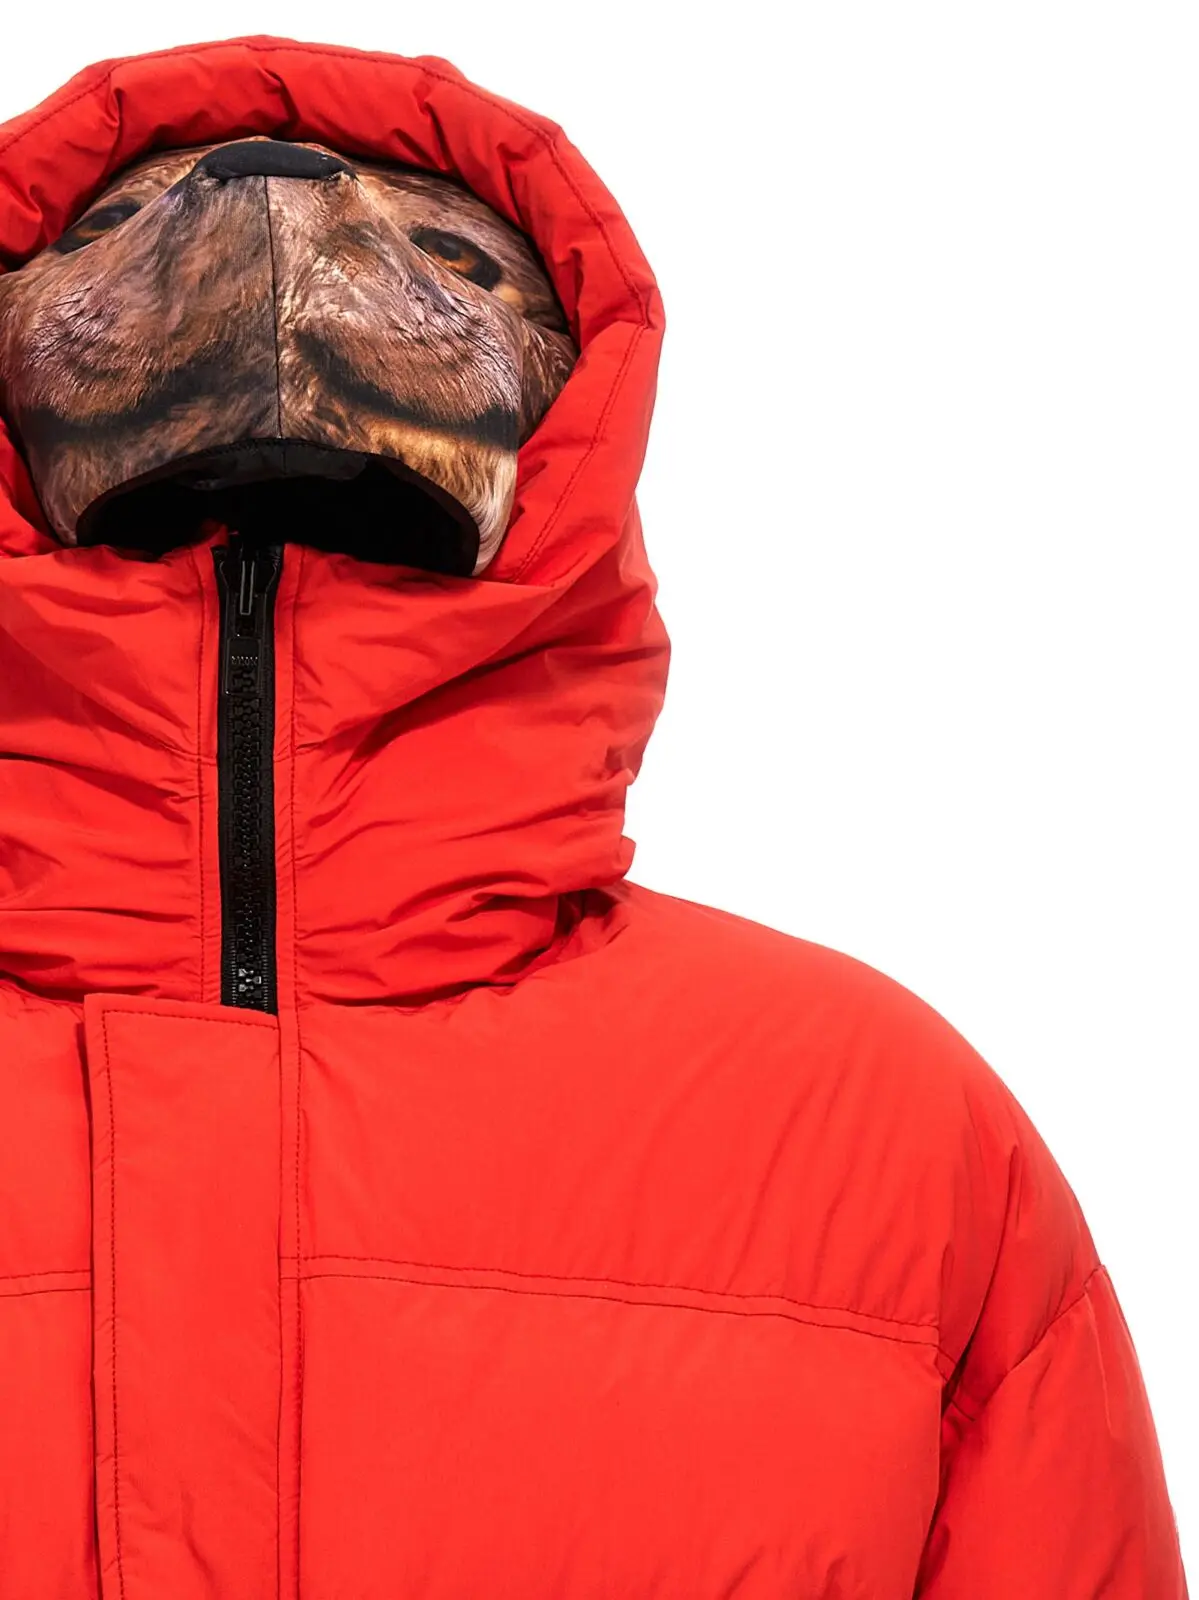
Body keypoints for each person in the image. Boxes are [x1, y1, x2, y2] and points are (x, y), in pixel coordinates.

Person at [0, 34, 1187, 1599]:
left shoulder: (878, 1130)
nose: (271, 209)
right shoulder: (877, 1108)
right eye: (103, 227)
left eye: (447, 253)